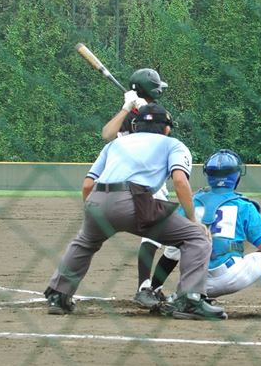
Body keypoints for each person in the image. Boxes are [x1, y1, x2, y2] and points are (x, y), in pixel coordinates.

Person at [43, 103, 226, 320]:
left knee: (84, 242)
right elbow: (179, 181)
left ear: (135, 126)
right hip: (135, 200)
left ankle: (58, 296)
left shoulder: (115, 145)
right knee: (196, 237)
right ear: (166, 128)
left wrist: (95, 213)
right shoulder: (173, 144)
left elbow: (87, 185)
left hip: (96, 199)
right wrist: (193, 219)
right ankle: (190, 300)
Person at [158, 149, 261, 319]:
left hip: (194, 281)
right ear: (236, 176)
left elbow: (171, 245)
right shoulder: (243, 205)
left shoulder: (191, 202)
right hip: (230, 275)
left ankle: (188, 298)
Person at [95, 67, 180, 311]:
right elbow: (107, 134)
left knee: (173, 244)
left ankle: (153, 287)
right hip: (142, 180)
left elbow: (164, 130)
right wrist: (127, 108)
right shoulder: (129, 115)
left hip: (149, 179)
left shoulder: (154, 113)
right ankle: (145, 287)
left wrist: (143, 111)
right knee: (156, 232)